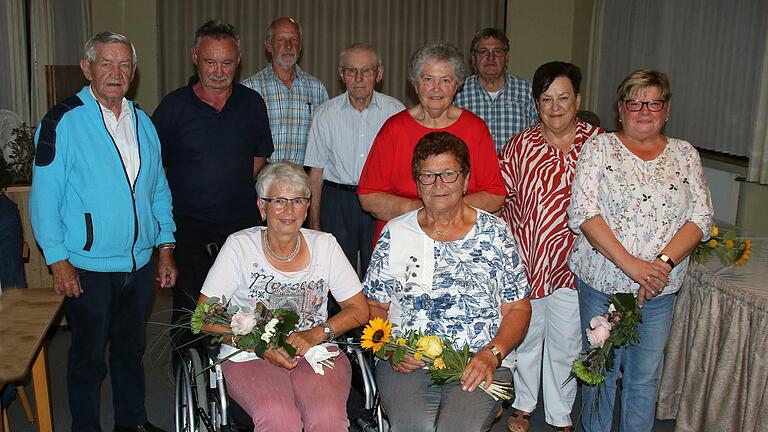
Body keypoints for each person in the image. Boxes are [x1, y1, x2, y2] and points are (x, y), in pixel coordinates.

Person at [29, 32, 177, 432]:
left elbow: (157, 190)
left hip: (140, 262)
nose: (116, 72)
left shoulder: (143, 122)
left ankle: (132, 422)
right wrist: (58, 259)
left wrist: (165, 246)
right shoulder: (62, 121)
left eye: (125, 64)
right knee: (87, 359)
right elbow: (44, 198)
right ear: (87, 68)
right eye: (106, 63)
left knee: (131, 350)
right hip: (87, 265)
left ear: (134, 70)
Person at [567, 69, 713, 432]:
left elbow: (702, 216)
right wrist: (633, 266)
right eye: (635, 101)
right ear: (620, 108)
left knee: (643, 379)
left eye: (653, 102)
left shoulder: (685, 154)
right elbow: (584, 212)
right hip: (604, 286)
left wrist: (660, 265)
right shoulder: (599, 148)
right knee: (600, 374)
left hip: (659, 291)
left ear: (666, 110)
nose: (644, 109)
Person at [364, 132, 531, 432]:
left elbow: (518, 309)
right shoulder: (395, 233)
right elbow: (375, 305)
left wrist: (491, 354)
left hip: (477, 360)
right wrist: (390, 350)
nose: (438, 184)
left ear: (466, 180)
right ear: (417, 182)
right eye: (428, 175)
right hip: (409, 365)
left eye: (449, 174)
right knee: (413, 426)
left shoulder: (495, 233)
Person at [198, 161, 369, 432]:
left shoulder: (325, 246)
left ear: (308, 206)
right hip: (249, 354)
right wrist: (259, 346)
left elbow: (359, 309)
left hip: (315, 351)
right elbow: (204, 317)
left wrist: (317, 333)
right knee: (279, 418)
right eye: (278, 200)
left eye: (298, 200)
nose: (289, 210)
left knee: (327, 417)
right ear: (261, 207)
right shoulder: (240, 247)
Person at [152, 20, 273, 360]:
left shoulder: (252, 104)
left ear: (239, 61)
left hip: (241, 227)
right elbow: (154, 174)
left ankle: (237, 378)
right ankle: (187, 380)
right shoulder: (173, 107)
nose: (219, 71)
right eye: (210, 62)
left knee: (243, 307)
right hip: (188, 228)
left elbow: (258, 160)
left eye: (227, 63)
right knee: (191, 312)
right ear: (195, 58)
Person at [499, 61, 603, 432]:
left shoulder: (599, 144)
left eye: (563, 97)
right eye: (546, 99)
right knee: (526, 335)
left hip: (576, 263)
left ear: (578, 99)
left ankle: (560, 414)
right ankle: (524, 404)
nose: (555, 106)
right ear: (536, 103)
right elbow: (500, 199)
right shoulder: (520, 146)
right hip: (528, 258)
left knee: (567, 341)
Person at [358, 42, 506, 241]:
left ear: (456, 85)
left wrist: (449, 210)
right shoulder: (394, 129)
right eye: (428, 79)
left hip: (462, 240)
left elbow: (495, 194)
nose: (436, 89)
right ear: (415, 83)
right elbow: (369, 196)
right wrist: (423, 211)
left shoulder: (475, 128)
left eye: (445, 80)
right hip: (404, 238)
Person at [304, 43, 404, 278]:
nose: (359, 78)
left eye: (366, 70)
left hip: (381, 199)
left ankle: (378, 317)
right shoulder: (325, 114)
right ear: (342, 75)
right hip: (337, 202)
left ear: (378, 74)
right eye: (351, 71)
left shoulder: (396, 113)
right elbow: (315, 173)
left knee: (381, 272)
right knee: (335, 274)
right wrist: (314, 224)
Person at [242, 17, 328, 166]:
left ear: (300, 46)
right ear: (268, 45)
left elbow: (326, 140)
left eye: (294, 40)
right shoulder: (249, 88)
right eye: (281, 39)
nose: (288, 46)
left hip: (303, 180)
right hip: (263, 180)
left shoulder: (317, 89)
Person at [455, 28, 538, 153]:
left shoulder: (527, 91)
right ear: (473, 58)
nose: (491, 57)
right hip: (472, 171)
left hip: (515, 171)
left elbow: (539, 135)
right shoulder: (457, 92)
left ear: (506, 57)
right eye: (484, 51)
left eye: (497, 51)